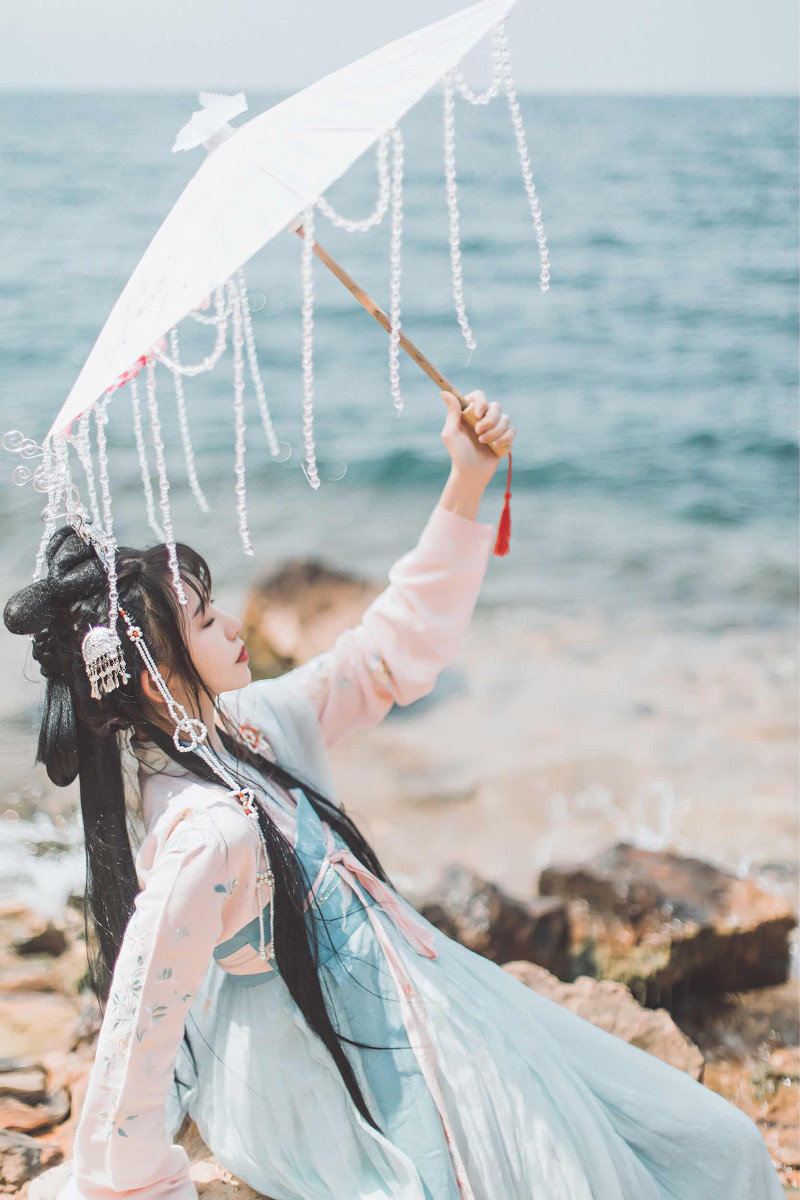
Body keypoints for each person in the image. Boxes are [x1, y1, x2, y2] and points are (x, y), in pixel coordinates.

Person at [3, 391, 783, 1200]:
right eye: (204, 620)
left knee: (710, 1141)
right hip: (331, 1066)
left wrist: (467, 481)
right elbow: (141, 1021)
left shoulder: (253, 724)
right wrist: (135, 1181)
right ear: (159, 679)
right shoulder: (206, 835)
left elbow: (385, 656)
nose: (235, 623)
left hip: (418, 995)